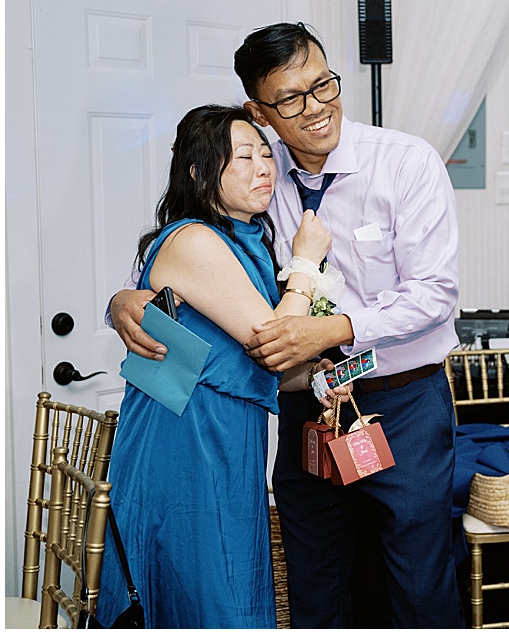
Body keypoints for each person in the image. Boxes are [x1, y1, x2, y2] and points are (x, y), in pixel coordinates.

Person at [109, 23, 464, 628]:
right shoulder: (253, 169)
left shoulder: (405, 162)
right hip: (304, 409)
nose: (317, 108)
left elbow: (436, 294)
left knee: (419, 582)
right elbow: (193, 250)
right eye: (292, 100)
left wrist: (336, 330)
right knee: (312, 583)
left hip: (403, 404)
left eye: (324, 85)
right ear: (261, 110)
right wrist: (124, 298)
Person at [96, 105, 342, 628]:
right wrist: (305, 263)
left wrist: (318, 376)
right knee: (207, 594)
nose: (264, 168)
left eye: (265, 155)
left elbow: (251, 364)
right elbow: (273, 342)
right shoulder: (194, 240)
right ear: (198, 172)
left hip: (228, 434)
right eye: (244, 157)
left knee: (229, 585)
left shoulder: (243, 238)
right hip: (185, 438)